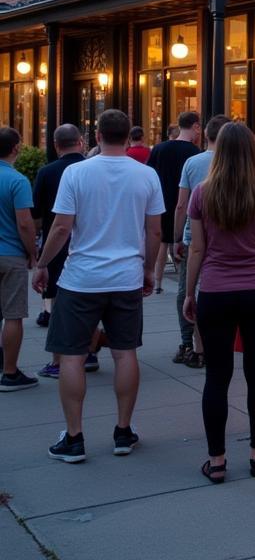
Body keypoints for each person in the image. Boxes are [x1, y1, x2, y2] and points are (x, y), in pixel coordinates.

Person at [33, 109, 164, 461]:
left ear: (96, 137)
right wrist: (149, 269)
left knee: (72, 357)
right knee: (125, 353)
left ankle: (74, 438)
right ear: (128, 136)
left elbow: (61, 228)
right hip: (126, 277)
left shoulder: (76, 173)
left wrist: (42, 264)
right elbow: (154, 231)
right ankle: (123, 431)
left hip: (81, 279)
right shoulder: (147, 175)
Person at [183, 123, 255, 483]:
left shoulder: (201, 193)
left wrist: (189, 292)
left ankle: (218, 460)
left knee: (217, 376)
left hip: (216, 291)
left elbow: (197, 248)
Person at [170, 114, 231, 368]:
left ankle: (191, 344)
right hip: (229, 236)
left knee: (189, 289)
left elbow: (182, 204)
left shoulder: (193, 163)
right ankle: (219, 342)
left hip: (195, 234)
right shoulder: (238, 164)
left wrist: (176, 239)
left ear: (205, 135)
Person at [32, 124, 87, 378]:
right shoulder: (89, 170)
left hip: (57, 243)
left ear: (55, 145)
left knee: (56, 299)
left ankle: (57, 360)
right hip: (86, 242)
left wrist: (39, 254)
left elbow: (37, 214)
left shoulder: (46, 172)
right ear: (81, 141)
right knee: (88, 302)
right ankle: (90, 352)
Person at [0, 127, 39, 392]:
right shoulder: (17, 181)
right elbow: (25, 223)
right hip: (10, 254)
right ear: (16, 148)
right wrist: (33, 253)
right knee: (13, 315)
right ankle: (10, 373)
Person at [147, 111, 201, 293]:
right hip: (185, 201)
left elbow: (150, 175)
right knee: (184, 243)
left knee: (162, 243)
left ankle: (158, 282)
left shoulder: (159, 148)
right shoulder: (195, 154)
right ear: (194, 126)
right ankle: (183, 283)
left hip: (161, 201)